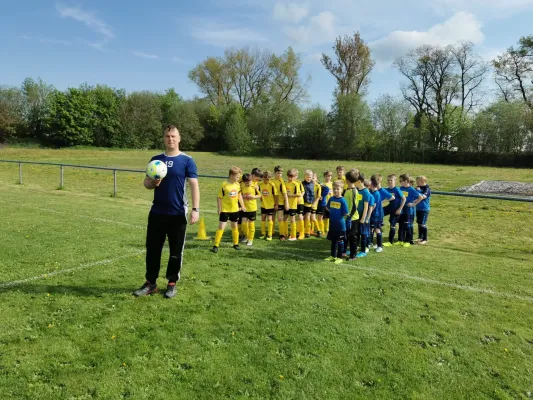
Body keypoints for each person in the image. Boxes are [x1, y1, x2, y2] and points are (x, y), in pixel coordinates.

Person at [134, 125, 200, 299]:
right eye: (167, 136)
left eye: (173, 136)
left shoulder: (187, 160)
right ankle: (151, 283)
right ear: (163, 138)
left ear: (179, 138)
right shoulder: (156, 160)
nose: (170, 139)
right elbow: (146, 183)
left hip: (178, 213)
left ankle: (171, 284)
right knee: (153, 249)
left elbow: (194, 185)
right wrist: (153, 184)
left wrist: (195, 209)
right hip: (157, 212)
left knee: (175, 251)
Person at [211, 167, 245, 253]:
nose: (238, 178)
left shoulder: (238, 185)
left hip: (235, 210)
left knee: (235, 226)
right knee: (221, 227)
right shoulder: (224, 184)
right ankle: (216, 245)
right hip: (225, 210)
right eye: (237, 177)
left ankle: (236, 244)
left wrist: (243, 205)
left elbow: (239, 195)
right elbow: (219, 197)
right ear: (231, 175)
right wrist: (219, 209)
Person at [324, 180, 349, 264]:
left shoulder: (343, 200)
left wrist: (338, 214)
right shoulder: (331, 198)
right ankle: (332, 255)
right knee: (333, 240)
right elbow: (327, 208)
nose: (335, 191)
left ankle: (339, 257)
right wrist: (332, 211)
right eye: (334, 189)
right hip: (332, 223)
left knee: (340, 240)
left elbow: (346, 213)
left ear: (342, 189)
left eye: (337, 189)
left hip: (340, 225)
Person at [398, 173, 423, 247]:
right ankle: (400, 240)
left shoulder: (411, 189)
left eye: (401, 181)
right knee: (401, 225)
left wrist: (413, 204)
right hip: (402, 210)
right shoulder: (401, 188)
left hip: (409, 211)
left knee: (408, 225)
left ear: (406, 181)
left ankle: (408, 241)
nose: (400, 182)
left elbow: (420, 197)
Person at [239, 168, 262, 242]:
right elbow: (239, 193)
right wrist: (242, 196)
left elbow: (259, 195)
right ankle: (246, 236)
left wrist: (253, 196)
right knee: (243, 223)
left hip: (252, 208)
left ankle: (250, 239)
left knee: (251, 224)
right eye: (257, 178)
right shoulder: (242, 183)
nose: (257, 180)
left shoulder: (255, 185)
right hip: (244, 207)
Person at [383, 174, 406, 247]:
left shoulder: (397, 189)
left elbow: (404, 199)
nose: (389, 182)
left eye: (391, 180)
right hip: (390, 207)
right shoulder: (387, 190)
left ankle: (390, 242)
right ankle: (380, 223)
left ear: (395, 181)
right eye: (388, 180)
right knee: (379, 212)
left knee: (392, 224)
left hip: (396, 210)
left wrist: (400, 209)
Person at [343, 170, 360, 261]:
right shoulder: (347, 190)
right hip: (346, 217)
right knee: (346, 236)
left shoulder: (354, 191)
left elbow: (354, 206)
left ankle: (353, 255)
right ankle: (344, 252)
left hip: (352, 218)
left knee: (352, 237)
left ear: (348, 180)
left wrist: (349, 217)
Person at [354, 173, 371, 258]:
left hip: (362, 218)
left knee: (363, 234)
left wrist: (363, 218)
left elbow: (366, 207)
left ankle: (363, 251)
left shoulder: (366, 192)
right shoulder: (357, 190)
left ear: (359, 181)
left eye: (355, 181)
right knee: (356, 233)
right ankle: (355, 248)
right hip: (356, 216)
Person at [259, 171, 278, 241]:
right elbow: (257, 191)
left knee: (270, 219)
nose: (266, 180)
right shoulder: (260, 184)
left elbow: (276, 195)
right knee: (263, 217)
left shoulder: (272, 185)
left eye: (268, 179)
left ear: (270, 178)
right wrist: (260, 197)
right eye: (265, 179)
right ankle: (263, 233)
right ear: (263, 178)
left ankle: (270, 234)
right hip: (263, 204)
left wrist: (276, 204)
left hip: (270, 205)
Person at [284, 169, 303, 241]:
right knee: (285, 218)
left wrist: (289, 195)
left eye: (292, 177)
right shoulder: (285, 184)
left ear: (294, 177)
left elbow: (298, 194)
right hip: (286, 204)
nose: (290, 178)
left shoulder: (295, 184)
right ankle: (285, 233)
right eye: (289, 176)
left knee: (292, 219)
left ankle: (293, 235)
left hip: (293, 205)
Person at [302, 170, 321, 238]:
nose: (311, 179)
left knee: (311, 217)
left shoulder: (316, 185)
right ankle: (307, 230)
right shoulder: (303, 184)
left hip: (312, 204)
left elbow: (317, 195)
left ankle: (317, 230)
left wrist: (314, 203)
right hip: (305, 203)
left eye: (312, 177)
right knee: (305, 217)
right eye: (309, 177)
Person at [273, 166, 289, 240]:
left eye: (281, 173)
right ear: (274, 173)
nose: (279, 175)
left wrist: (286, 203)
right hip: (271, 202)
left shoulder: (281, 182)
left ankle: (282, 234)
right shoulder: (271, 180)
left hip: (280, 202)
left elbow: (285, 193)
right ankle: (271, 232)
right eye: (278, 173)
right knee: (272, 217)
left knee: (279, 218)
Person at [415, 175, 431, 245]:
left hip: (424, 209)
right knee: (419, 223)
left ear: (422, 181)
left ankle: (425, 239)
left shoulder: (427, 189)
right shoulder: (418, 188)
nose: (417, 183)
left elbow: (423, 196)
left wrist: (418, 191)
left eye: (418, 182)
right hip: (418, 208)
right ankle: (420, 237)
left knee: (422, 224)